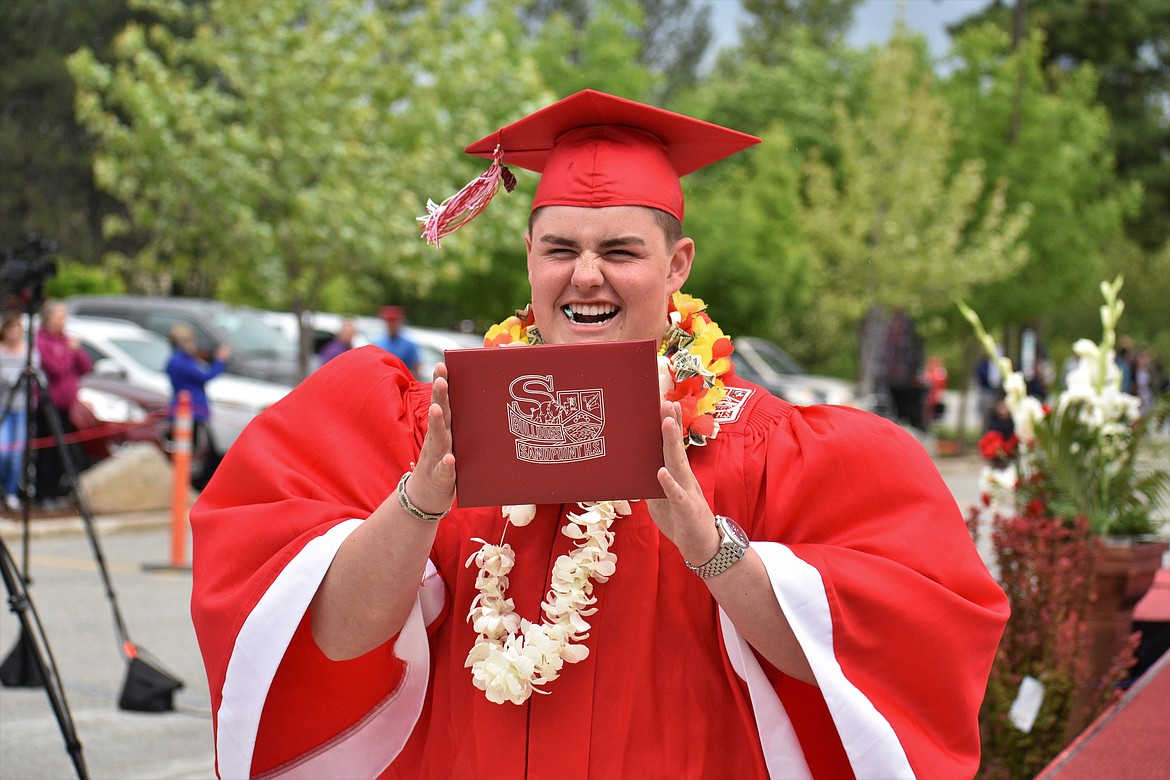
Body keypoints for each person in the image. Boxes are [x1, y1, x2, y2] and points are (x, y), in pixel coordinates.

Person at [190, 90, 1008, 778]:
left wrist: (709, 545)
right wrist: (420, 502)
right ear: (529, 256)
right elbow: (338, 639)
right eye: (561, 249)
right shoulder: (429, 430)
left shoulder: (759, 450)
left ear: (678, 264)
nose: (586, 276)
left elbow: (869, 664)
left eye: (621, 249)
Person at [34, 300, 93, 506]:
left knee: (64, 449)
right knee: (48, 449)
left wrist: (76, 351)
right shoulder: (42, 341)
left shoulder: (66, 340)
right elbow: (56, 369)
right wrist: (69, 352)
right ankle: (44, 493)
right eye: (60, 317)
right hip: (48, 405)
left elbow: (85, 367)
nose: (63, 321)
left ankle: (55, 491)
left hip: (67, 405)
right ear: (48, 318)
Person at [166, 323, 230, 488]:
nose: (193, 345)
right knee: (188, 449)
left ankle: (186, 481)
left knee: (193, 448)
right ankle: (184, 483)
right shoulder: (180, 362)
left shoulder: (184, 360)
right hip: (188, 412)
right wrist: (220, 359)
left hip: (193, 411)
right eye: (189, 342)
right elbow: (206, 375)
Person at [0, 314, 32, 511]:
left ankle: (11, 491)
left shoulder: (28, 350)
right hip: (3, 405)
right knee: (3, 451)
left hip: (21, 407)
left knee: (17, 453)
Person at [373, 305, 420, 377]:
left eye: (394, 322)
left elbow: (416, 368)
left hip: (403, 382)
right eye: (389, 322)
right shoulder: (378, 344)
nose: (392, 325)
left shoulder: (408, 345)